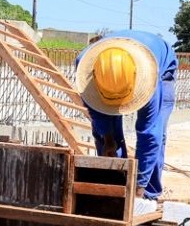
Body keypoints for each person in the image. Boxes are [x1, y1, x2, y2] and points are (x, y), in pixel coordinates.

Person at [75, 30, 178, 215]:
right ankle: (115, 185)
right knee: (104, 133)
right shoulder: (85, 64)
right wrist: (107, 138)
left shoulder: (151, 78)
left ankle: (148, 194)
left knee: (156, 133)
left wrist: (137, 192)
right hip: (112, 77)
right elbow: (96, 113)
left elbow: (149, 135)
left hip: (162, 69)